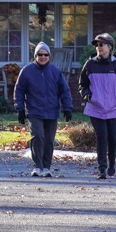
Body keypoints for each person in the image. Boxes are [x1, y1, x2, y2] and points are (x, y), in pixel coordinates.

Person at [14, 41, 72, 177]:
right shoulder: (27, 71)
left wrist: (67, 107)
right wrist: (20, 109)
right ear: (35, 56)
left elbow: (64, 90)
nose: (43, 57)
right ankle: (38, 166)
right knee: (38, 136)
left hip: (52, 111)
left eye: (46, 55)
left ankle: (46, 166)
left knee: (49, 140)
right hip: (34, 111)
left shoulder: (55, 71)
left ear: (49, 56)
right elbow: (19, 91)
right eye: (40, 54)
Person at [77, 32, 116, 179]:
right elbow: (83, 84)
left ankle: (112, 165)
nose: (99, 47)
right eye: (97, 45)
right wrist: (87, 95)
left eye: (102, 45)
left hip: (113, 107)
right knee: (102, 137)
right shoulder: (90, 64)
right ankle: (101, 169)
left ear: (110, 47)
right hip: (96, 107)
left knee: (113, 137)